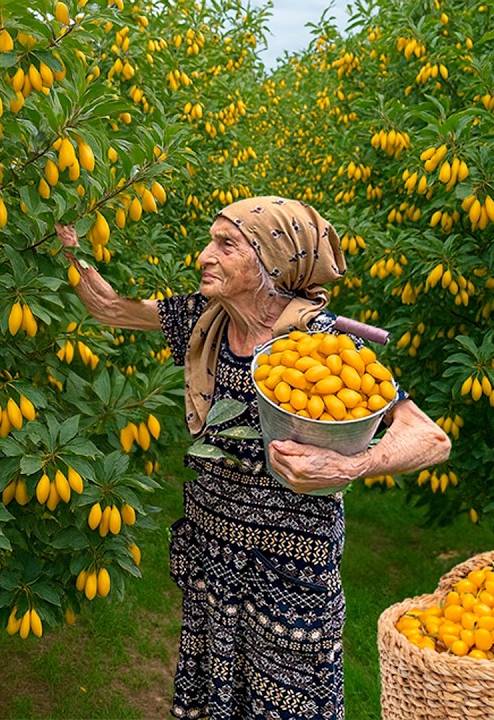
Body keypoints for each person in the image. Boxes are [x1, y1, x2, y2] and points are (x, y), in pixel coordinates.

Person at [58, 196, 451, 720]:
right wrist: (70, 250)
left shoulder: (318, 341)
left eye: (226, 244)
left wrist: (351, 466)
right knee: (216, 696)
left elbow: (429, 437)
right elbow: (110, 308)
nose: (204, 255)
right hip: (212, 553)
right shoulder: (206, 319)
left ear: (270, 259)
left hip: (288, 569)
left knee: (287, 702)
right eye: (209, 241)